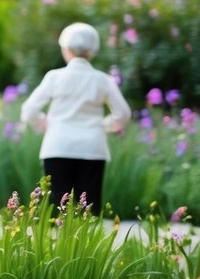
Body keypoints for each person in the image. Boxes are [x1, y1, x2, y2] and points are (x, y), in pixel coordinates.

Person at [20, 22, 131, 210]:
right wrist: (103, 125)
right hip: (92, 147)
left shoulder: (54, 77)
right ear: (93, 50)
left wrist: (43, 123)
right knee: (88, 207)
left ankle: (60, 240)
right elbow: (123, 114)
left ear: (66, 49)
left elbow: (29, 110)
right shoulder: (103, 80)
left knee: (58, 206)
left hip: (58, 146)